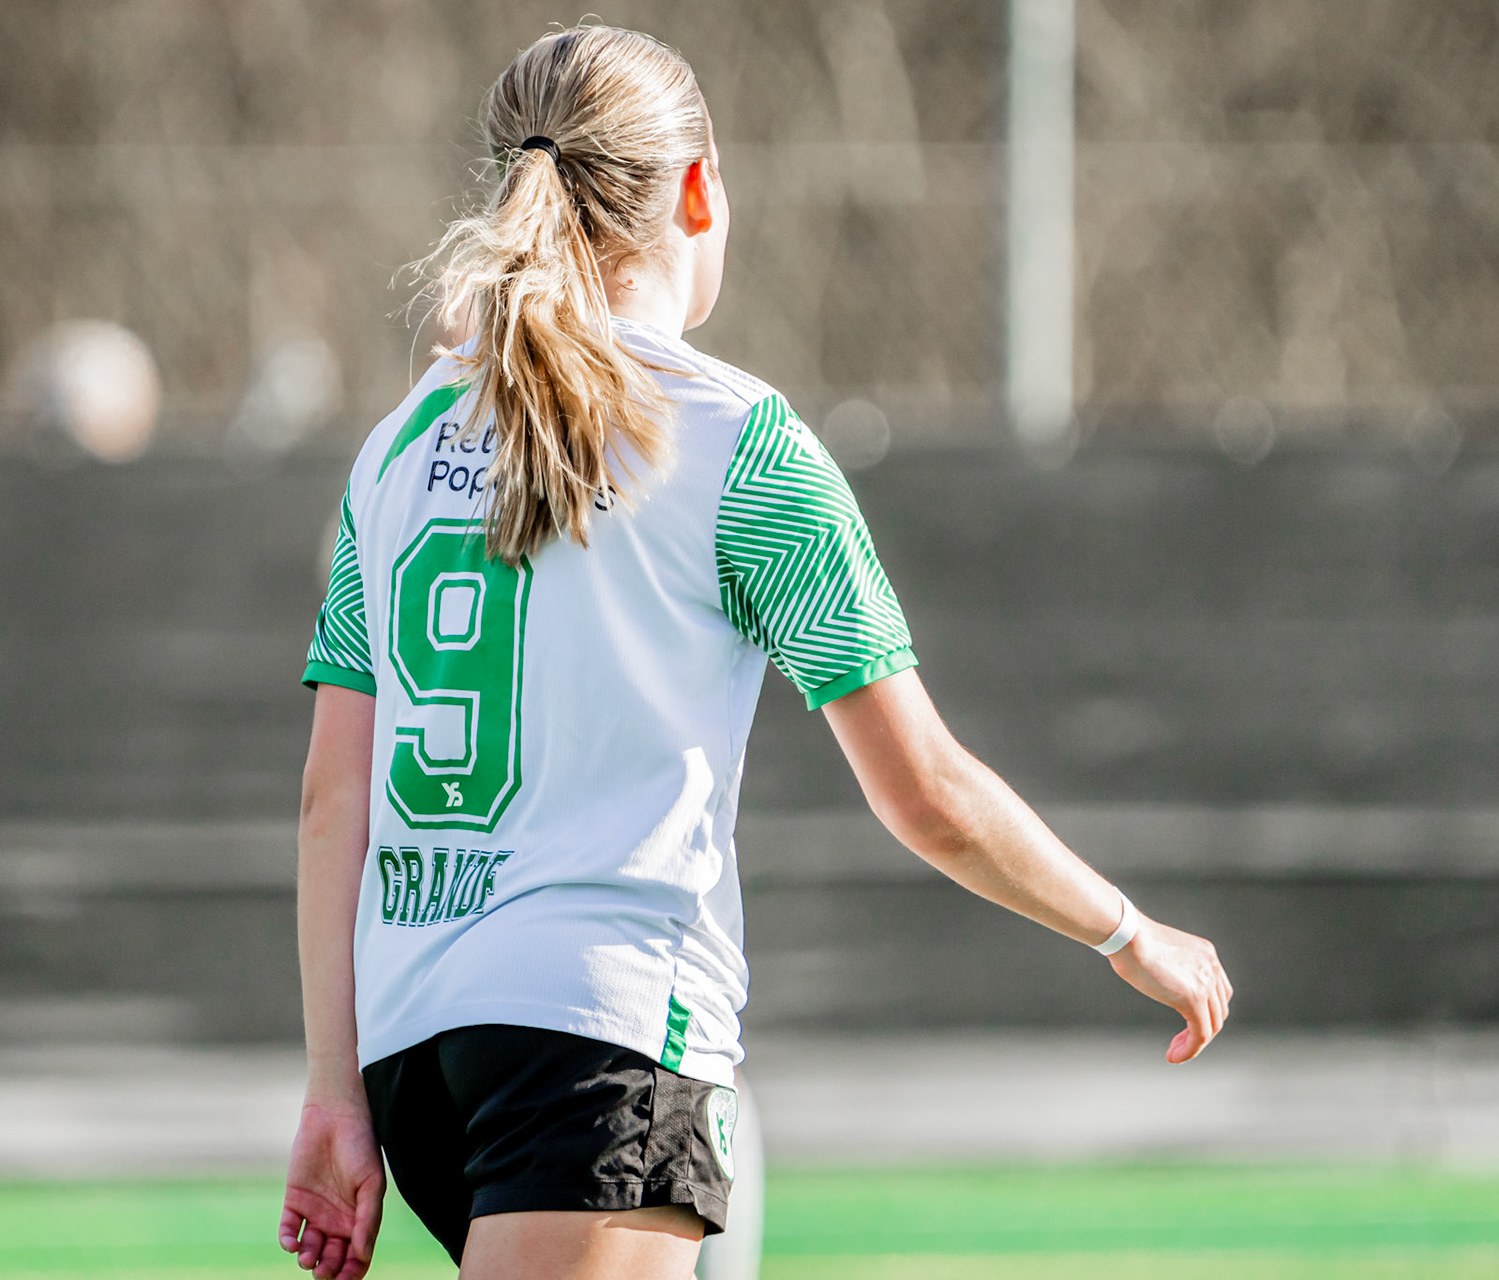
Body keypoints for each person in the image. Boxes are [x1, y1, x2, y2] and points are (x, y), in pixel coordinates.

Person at [278, 24, 1231, 1280]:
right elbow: (928, 794)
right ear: (699, 187)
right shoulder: (738, 443)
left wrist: (335, 1089)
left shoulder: (398, 447)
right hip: (600, 1037)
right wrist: (1127, 930)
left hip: (418, 1050)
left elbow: (329, 799)